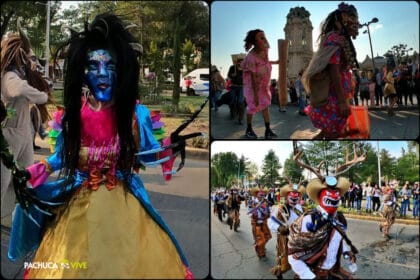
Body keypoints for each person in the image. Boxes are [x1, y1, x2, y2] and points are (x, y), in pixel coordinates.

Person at [7, 14, 199, 279]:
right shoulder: (73, 116)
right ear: (82, 72)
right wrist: (32, 171)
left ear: (121, 70)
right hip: (77, 211)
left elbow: (151, 154)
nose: (102, 74)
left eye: (110, 65)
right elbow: (61, 157)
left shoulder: (134, 115)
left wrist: (171, 146)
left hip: (126, 210)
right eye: (93, 65)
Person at [288, 145, 365, 279]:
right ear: (320, 196)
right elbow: (293, 255)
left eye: (336, 192)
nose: (334, 196)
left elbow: (339, 241)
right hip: (314, 273)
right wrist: (309, 276)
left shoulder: (340, 219)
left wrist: (347, 253)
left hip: (334, 270)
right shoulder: (308, 220)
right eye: (330, 193)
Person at [1, 27, 49, 227]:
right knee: (2, 183)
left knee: (25, 178)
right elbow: (18, 90)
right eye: (28, 56)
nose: (32, 60)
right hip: (8, 135)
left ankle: (16, 218)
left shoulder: (19, 75)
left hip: (22, 134)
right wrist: (42, 97)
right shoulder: (9, 77)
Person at [302, 2, 361, 139]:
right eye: (351, 19)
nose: (355, 24)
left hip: (337, 94)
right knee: (333, 133)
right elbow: (334, 70)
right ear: (340, 20)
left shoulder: (339, 38)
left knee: (327, 132)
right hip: (333, 96)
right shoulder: (334, 38)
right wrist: (341, 101)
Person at [242, 29, 277, 139]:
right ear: (255, 42)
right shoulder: (251, 57)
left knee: (265, 105)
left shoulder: (265, 49)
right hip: (252, 86)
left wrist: (277, 62)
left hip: (263, 84)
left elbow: (265, 62)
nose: (265, 40)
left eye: (264, 36)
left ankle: (268, 130)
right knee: (252, 106)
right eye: (261, 38)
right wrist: (256, 96)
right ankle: (248, 129)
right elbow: (253, 77)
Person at [269, 182, 306, 279]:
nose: (294, 200)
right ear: (287, 197)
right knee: (285, 262)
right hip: (285, 238)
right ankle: (279, 270)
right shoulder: (280, 208)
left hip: (298, 238)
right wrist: (279, 228)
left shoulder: (299, 208)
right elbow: (271, 222)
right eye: (292, 198)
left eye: (296, 198)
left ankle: (298, 275)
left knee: (301, 259)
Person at [249, 190, 271, 260]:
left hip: (264, 223)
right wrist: (253, 213)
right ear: (257, 196)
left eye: (262, 196)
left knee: (267, 237)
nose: (261, 198)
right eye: (259, 196)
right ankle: (261, 254)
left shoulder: (265, 203)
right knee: (261, 240)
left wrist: (267, 213)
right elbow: (249, 212)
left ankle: (261, 247)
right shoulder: (252, 202)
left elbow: (268, 212)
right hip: (256, 224)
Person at [227, 55, 245, 124]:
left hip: (242, 87)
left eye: (242, 61)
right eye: (239, 61)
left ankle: (240, 118)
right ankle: (233, 114)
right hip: (233, 86)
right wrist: (232, 75)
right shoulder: (232, 67)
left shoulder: (245, 68)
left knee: (241, 102)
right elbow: (229, 75)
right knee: (232, 101)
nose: (240, 63)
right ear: (237, 62)